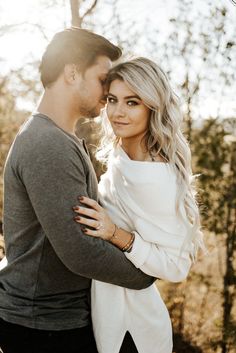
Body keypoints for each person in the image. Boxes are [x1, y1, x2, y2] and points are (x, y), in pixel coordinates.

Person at [0, 30, 155, 353]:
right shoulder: (47, 144)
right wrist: (147, 271)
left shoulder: (60, 138)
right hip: (43, 327)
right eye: (102, 79)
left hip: (54, 320)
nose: (108, 91)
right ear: (71, 72)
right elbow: (80, 251)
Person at [73, 57, 204, 353]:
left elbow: (176, 267)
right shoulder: (121, 157)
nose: (117, 112)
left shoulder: (156, 176)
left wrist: (115, 234)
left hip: (133, 334)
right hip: (102, 320)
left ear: (152, 106)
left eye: (132, 102)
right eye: (112, 100)